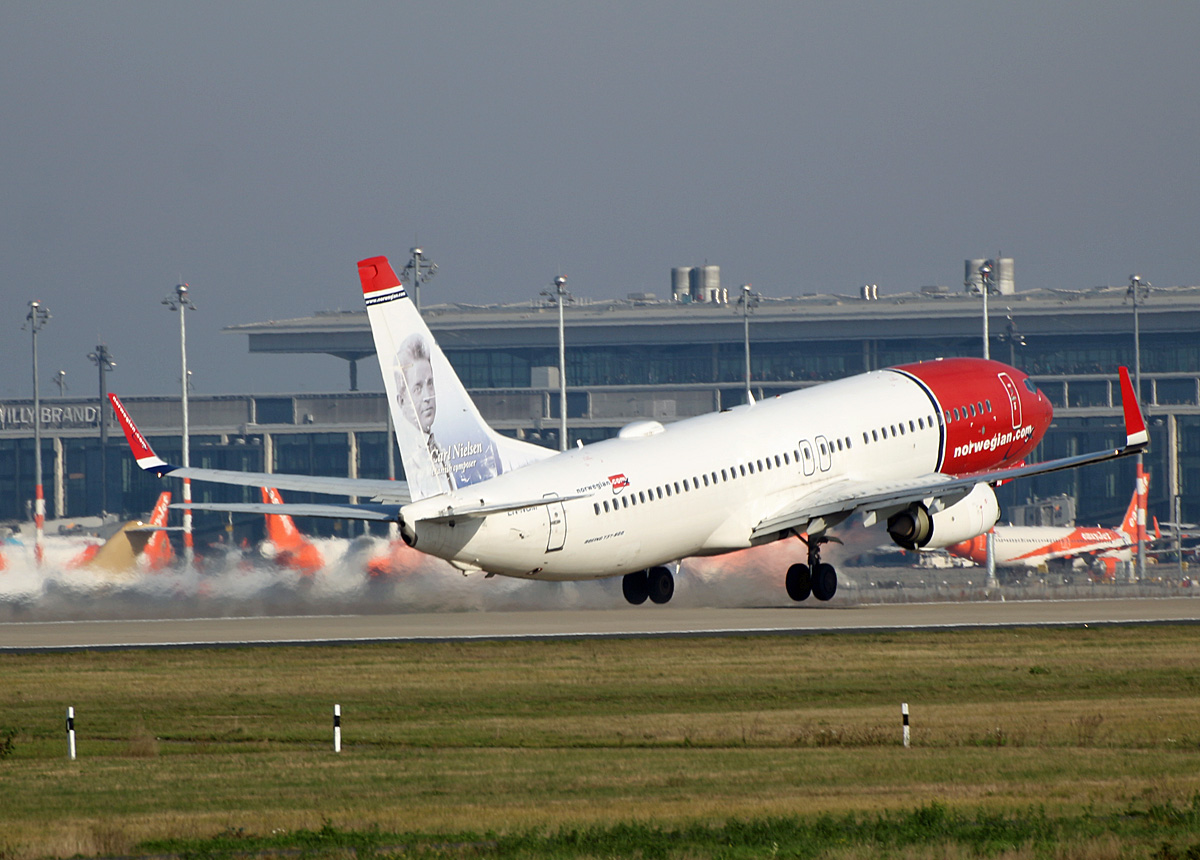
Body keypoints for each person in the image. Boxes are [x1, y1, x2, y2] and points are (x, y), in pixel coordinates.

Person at [393, 335, 455, 494]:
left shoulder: (436, 447)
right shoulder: (412, 455)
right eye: (417, 389)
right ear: (401, 401)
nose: (428, 397)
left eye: (430, 384)